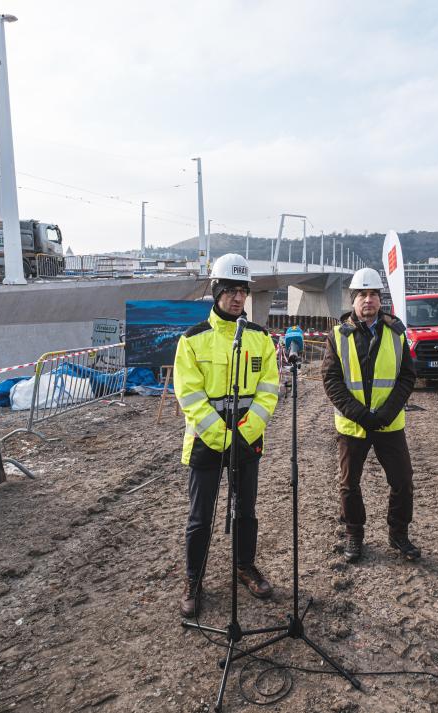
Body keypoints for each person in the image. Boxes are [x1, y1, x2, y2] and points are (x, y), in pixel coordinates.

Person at [174, 253, 280, 618]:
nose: (238, 298)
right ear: (217, 291)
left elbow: (268, 391)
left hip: (247, 441)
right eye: (231, 290)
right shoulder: (192, 341)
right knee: (200, 517)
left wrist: (245, 432)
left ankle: (244, 566)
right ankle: (194, 579)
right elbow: (189, 396)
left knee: (246, 511)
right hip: (206, 441)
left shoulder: (260, 339)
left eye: (243, 291)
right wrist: (223, 437)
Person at [321, 267, 421, 563]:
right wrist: (361, 415)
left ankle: (398, 534)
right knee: (349, 484)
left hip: (389, 424)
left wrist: (387, 412)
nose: (368, 300)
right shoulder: (337, 336)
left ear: (380, 299)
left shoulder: (396, 333)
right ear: (353, 300)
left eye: (374, 294)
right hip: (353, 426)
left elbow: (407, 376)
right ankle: (354, 534)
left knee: (403, 481)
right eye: (362, 294)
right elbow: (331, 381)